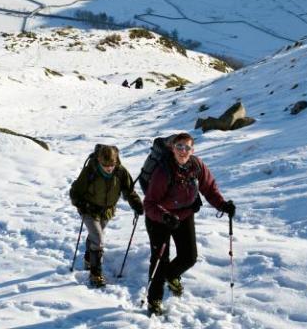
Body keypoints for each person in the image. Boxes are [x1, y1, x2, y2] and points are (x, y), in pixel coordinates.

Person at [142, 132, 235, 316]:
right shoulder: (163, 171)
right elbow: (149, 203)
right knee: (160, 260)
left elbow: (209, 188)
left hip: (184, 215)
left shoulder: (196, 165)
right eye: (179, 147)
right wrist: (164, 217)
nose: (183, 151)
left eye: (187, 148)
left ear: (193, 150)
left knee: (189, 257)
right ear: (173, 148)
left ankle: (171, 275)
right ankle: (154, 301)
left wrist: (223, 205)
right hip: (159, 219)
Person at [69, 144, 144, 287]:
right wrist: (80, 204)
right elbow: (75, 191)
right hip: (89, 209)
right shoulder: (90, 170)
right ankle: (95, 274)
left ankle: (88, 258)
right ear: (99, 160)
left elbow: (129, 191)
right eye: (105, 165)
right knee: (98, 237)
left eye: (112, 164)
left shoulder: (120, 172)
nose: (109, 168)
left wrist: (137, 204)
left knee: (95, 235)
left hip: (107, 211)